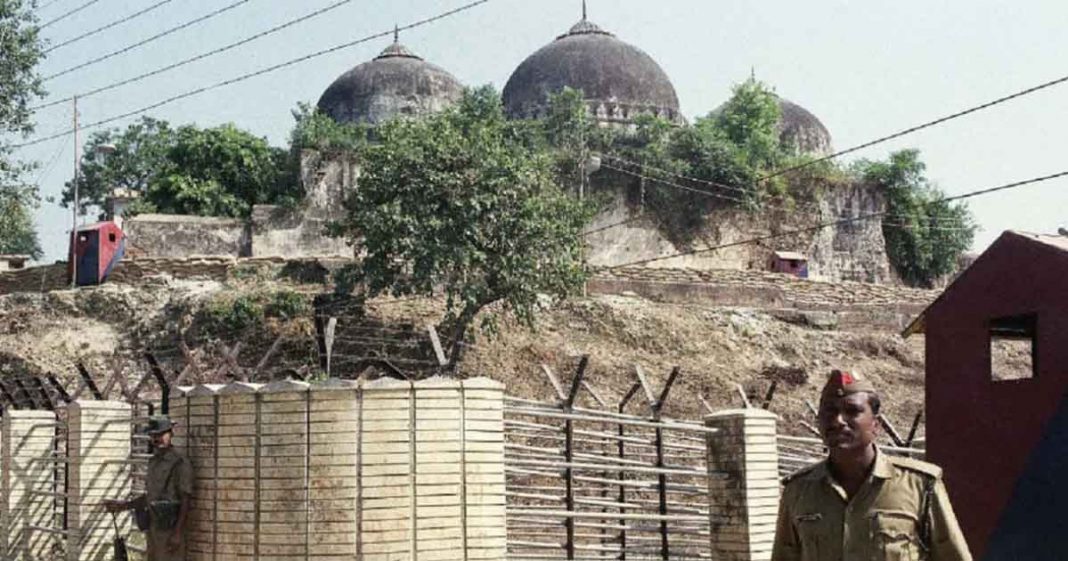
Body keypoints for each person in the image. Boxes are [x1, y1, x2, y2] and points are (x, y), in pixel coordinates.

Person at [771, 370, 972, 561]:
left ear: (875, 424)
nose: (838, 420)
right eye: (830, 411)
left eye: (852, 411)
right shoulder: (798, 491)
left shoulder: (919, 486)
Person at [105, 416, 193, 561]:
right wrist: (123, 506)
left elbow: (185, 499)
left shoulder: (180, 463)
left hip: (170, 529)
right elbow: (151, 496)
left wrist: (177, 532)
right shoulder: (153, 462)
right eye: (153, 435)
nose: (157, 439)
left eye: (161, 434)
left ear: (171, 434)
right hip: (153, 528)